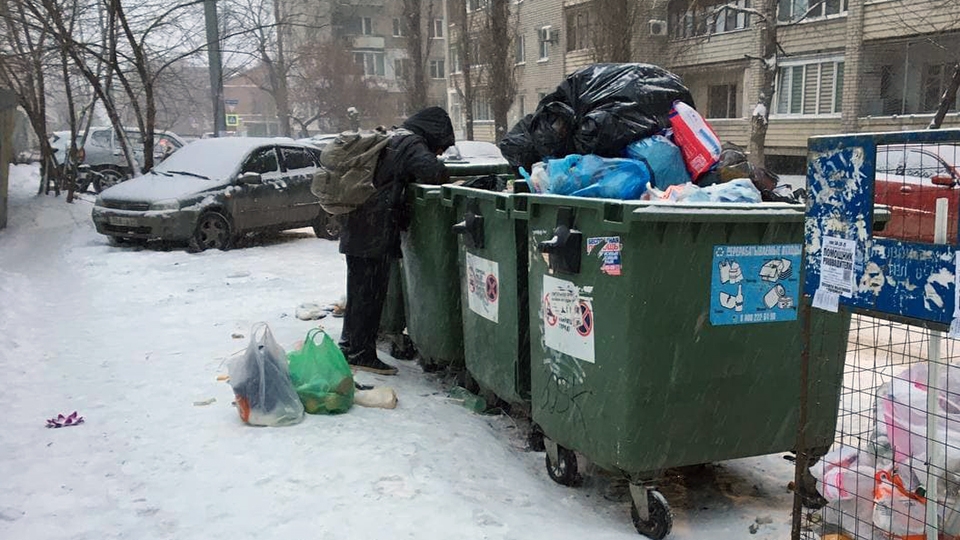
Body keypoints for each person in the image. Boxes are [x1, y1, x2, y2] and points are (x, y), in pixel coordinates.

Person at [338, 106, 455, 375]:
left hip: (357, 223)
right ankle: (361, 353)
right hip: (374, 231)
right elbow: (433, 173)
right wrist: (441, 167)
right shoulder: (411, 142)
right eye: (440, 146)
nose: (439, 151)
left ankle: (350, 345)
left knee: (358, 291)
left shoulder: (394, 136)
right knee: (370, 293)